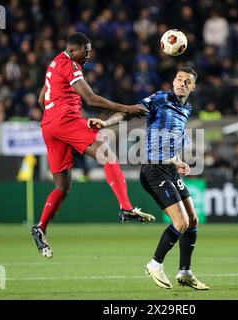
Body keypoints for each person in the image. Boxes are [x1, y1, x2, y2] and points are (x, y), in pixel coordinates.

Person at [31, 33, 155, 259]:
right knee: (106, 154)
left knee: (62, 186)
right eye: (84, 51)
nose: (88, 55)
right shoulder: (70, 65)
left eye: (89, 51)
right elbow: (91, 99)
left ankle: (40, 227)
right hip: (64, 119)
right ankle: (126, 207)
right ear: (73, 50)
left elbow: (41, 100)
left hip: (49, 125)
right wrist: (128, 109)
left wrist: (55, 119)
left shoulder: (54, 63)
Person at [88, 67, 209, 290]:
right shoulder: (160, 99)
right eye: (179, 79)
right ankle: (155, 264)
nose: (182, 83)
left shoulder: (186, 109)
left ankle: (185, 272)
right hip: (154, 171)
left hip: (170, 168)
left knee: (193, 220)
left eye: (187, 81)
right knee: (180, 222)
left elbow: (171, 141)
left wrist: (178, 160)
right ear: (173, 82)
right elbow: (129, 112)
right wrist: (105, 124)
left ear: (192, 87)